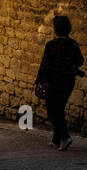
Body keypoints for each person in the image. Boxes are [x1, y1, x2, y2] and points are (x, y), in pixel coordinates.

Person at [35, 14, 84, 151]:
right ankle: (56, 140)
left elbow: (45, 65)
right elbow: (80, 61)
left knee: (52, 111)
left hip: (54, 82)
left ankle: (65, 137)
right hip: (68, 82)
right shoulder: (73, 44)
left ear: (56, 29)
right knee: (59, 108)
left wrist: (39, 80)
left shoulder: (51, 45)